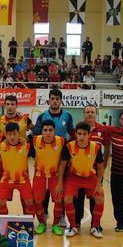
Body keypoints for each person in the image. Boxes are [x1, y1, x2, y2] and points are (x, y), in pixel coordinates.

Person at [56, 122, 105, 238]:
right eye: (79, 134)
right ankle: (73, 226)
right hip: (74, 176)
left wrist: (99, 184)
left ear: (89, 135)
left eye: (84, 134)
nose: (81, 136)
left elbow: (100, 167)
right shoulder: (69, 146)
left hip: (90, 176)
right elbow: (62, 165)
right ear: (75, 134)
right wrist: (59, 183)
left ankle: (95, 226)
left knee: (100, 199)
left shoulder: (96, 147)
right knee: (67, 199)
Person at [33, 89, 74, 225]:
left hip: (62, 158)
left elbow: (72, 135)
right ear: (49, 100)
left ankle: (61, 216)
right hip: (46, 157)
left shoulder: (67, 116)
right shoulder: (43, 116)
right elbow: (35, 135)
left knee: (60, 189)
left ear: (61, 100)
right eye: (52, 98)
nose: (55, 101)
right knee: (42, 192)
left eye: (57, 98)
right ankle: (44, 214)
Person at [73, 105, 110, 231]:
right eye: (87, 112)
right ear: (84, 114)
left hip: (95, 172)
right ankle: (76, 222)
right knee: (78, 198)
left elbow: (107, 149)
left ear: (96, 114)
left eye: (92, 112)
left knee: (96, 196)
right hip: (79, 171)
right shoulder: (78, 129)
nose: (90, 114)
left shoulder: (102, 130)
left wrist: (104, 165)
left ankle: (95, 224)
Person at [32, 120, 66, 235]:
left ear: (54, 131)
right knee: (37, 200)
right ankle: (41, 222)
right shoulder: (35, 140)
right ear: (41, 131)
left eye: (50, 130)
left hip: (54, 176)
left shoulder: (61, 141)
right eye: (45, 130)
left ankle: (56, 224)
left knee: (58, 200)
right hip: (39, 175)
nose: (48, 133)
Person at [0, 123, 36, 216]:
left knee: (29, 201)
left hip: (23, 180)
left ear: (19, 134)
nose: (12, 137)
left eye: (14, 134)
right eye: (9, 134)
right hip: (6, 179)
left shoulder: (26, 146)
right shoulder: (1, 146)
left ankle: (29, 222)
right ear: (6, 135)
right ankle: (4, 220)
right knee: (1, 201)